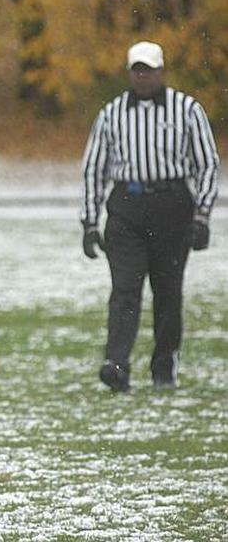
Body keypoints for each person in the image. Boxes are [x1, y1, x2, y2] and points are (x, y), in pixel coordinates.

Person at [80, 41, 219, 392]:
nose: (143, 76)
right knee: (125, 290)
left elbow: (206, 165)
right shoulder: (111, 113)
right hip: (127, 205)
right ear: (129, 73)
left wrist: (202, 214)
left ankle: (164, 364)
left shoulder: (187, 109)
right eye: (137, 70)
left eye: (150, 69)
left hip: (172, 205)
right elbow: (94, 169)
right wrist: (89, 221)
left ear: (162, 71)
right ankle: (116, 364)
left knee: (168, 291)